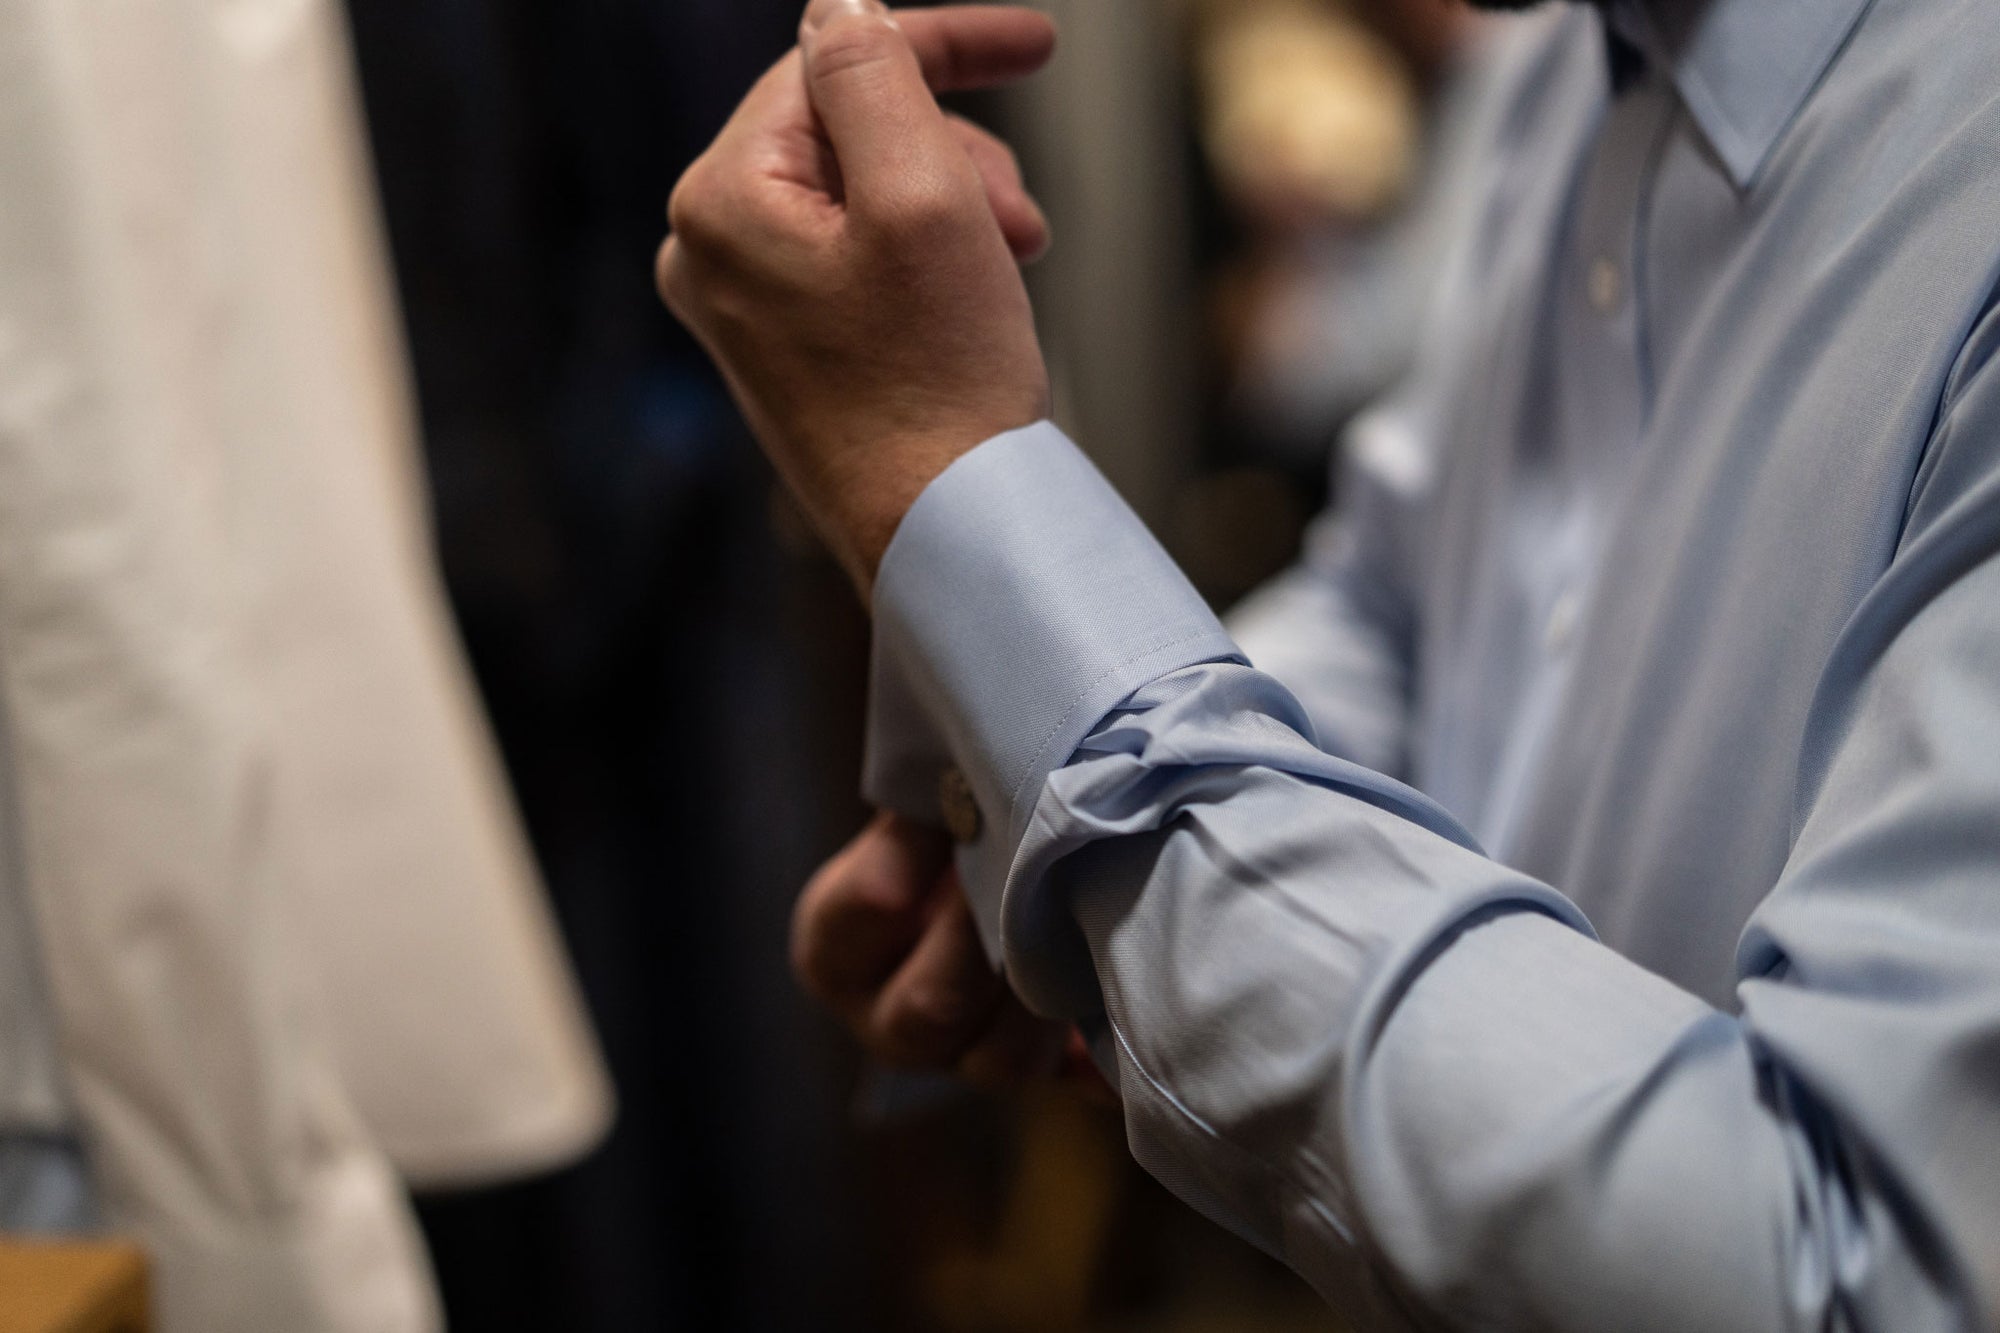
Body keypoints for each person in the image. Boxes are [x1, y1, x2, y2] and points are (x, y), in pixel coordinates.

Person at [660, 0, 2000, 1326]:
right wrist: (1046, 807)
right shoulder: (1563, 76)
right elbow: (1404, 612)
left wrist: (964, 518)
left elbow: (1841, 1267)